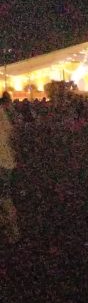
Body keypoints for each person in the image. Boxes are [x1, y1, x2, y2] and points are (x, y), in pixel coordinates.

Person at [0, 93, 21, 245]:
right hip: (6, 161)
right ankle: (12, 231)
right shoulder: (4, 113)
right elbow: (13, 135)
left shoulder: (2, 113)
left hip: (3, 162)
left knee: (4, 197)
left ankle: (13, 232)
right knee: (5, 196)